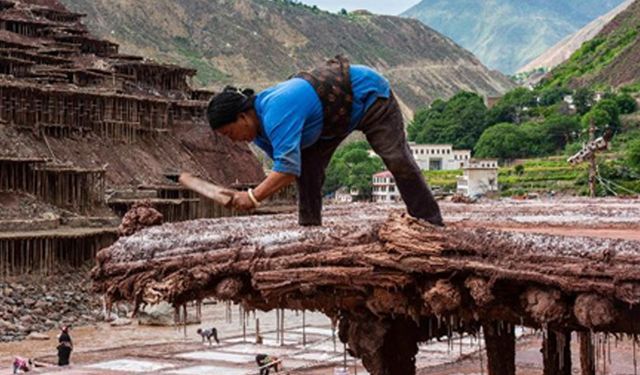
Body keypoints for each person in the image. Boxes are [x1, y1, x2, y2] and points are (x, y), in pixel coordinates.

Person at [207, 56, 443, 227]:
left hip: (369, 96)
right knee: (308, 167)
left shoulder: (276, 112)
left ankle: (429, 221)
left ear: (242, 117)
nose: (234, 140)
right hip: (330, 120)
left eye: (230, 133)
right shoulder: (257, 133)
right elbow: (292, 165)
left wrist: (252, 197)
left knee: (397, 159)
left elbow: (286, 170)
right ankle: (309, 225)